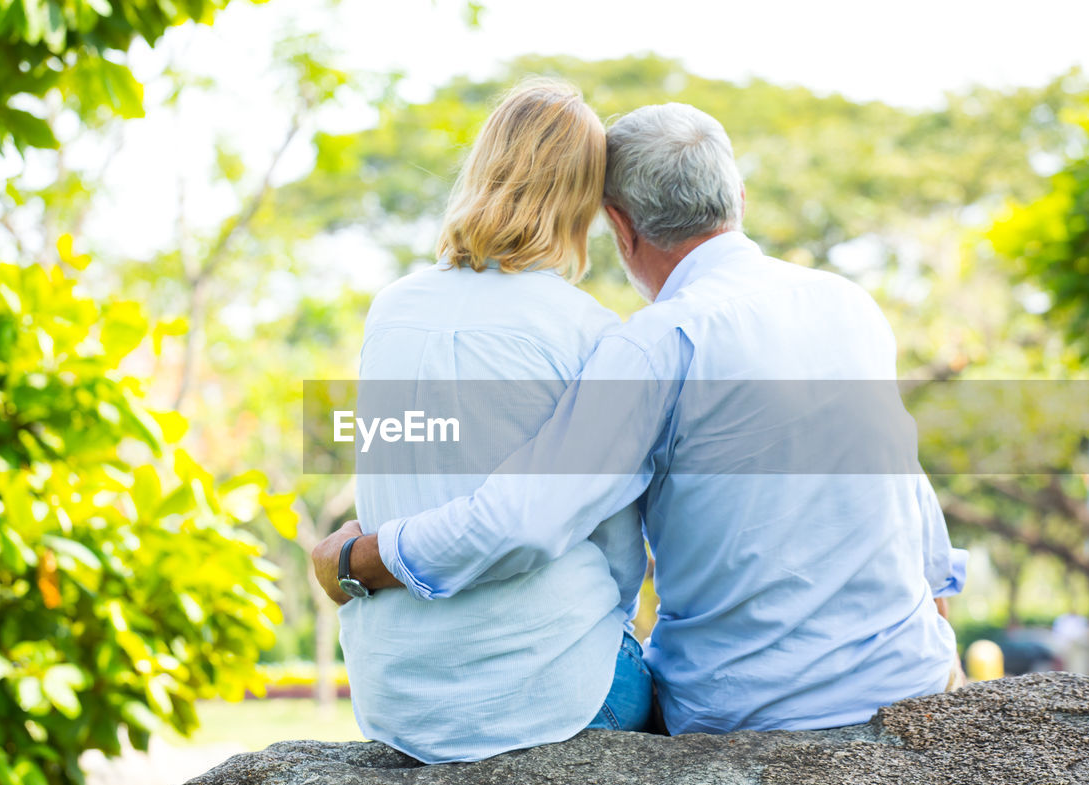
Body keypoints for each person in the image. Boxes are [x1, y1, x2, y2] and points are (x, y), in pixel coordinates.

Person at [315, 102, 967, 736]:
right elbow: (901, 468)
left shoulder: (650, 345)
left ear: (621, 228)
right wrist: (941, 637)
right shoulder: (848, 303)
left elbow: (523, 518)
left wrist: (358, 557)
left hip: (740, 707)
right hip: (906, 676)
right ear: (737, 196)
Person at [329, 80, 652, 764]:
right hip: (547, 691)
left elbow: (387, 475)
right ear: (587, 201)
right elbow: (620, 551)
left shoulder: (392, 308)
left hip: (395, 697)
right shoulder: (589, 330)